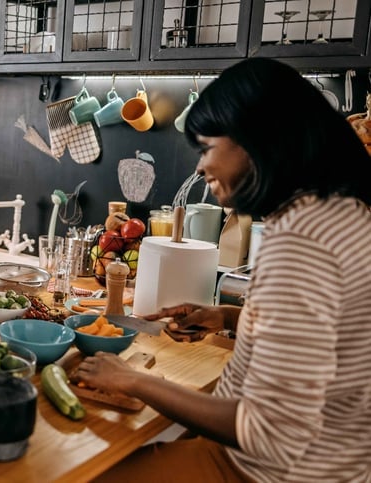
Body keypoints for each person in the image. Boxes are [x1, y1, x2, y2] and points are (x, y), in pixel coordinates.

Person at [79, 58, 371, 483]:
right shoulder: (342, 212)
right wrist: (232, 318)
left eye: (206, 148)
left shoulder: (303, 241)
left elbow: (271, 433)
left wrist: (132, 381)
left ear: (259, 141)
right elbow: (331, 338)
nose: (200, 166)